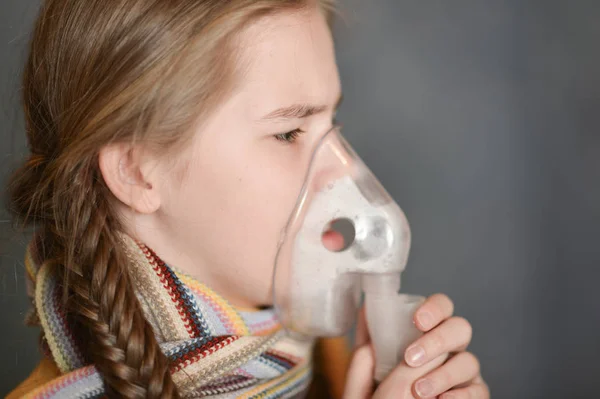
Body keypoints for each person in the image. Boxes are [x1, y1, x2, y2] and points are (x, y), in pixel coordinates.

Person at [6, 1, 489, 398]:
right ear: (137, 171)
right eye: (288, 134)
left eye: (331, 127)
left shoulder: (331, 364)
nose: (341, 178)